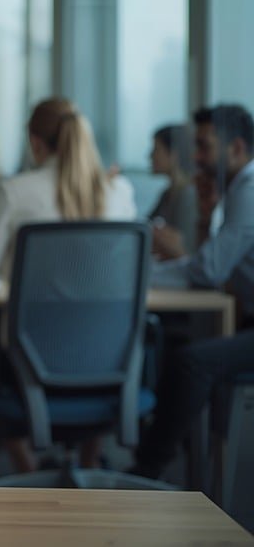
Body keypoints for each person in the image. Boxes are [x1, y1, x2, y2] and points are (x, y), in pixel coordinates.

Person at [0, 98, 135, 473]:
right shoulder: (119, 191)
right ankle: (90, 465)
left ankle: (27, 471)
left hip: (27, 360)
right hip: (107, 358)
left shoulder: (17, 191)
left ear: (36, 142)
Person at [134, 104, 254, 479]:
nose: (197, 158)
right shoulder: (236, 191)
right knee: (182, 351)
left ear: (235, 148)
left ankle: (147, 471)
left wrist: (143, 275)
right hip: (245, 318)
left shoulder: (249, 190)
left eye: (204, 147)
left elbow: (208, 269)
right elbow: (215, 269)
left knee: (189, 362)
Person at [147, 124, 198, 259]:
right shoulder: (168, 194)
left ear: (173, 154)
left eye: (156, 149)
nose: (150, 156)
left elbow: (184, 251)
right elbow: (145, 227)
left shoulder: (188, 195)